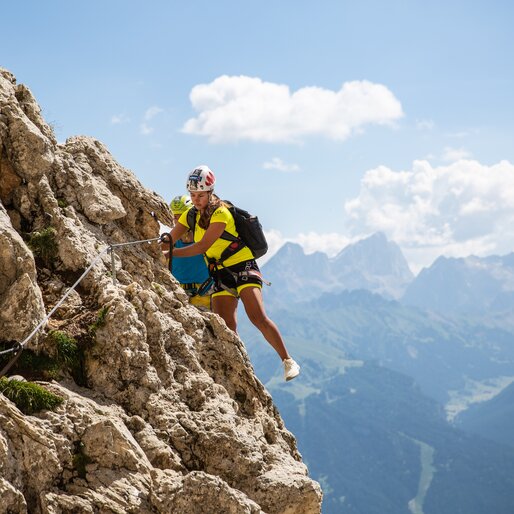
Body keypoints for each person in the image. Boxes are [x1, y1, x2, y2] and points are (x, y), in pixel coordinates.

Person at [167, 165, 300, 381]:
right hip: (220, 272)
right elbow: (170, 239)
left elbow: (201, 246)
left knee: (257, 316)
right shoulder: (190, 215)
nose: (197, 199)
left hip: (243, 265)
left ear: (210, 192)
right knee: (226, 325)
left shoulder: (222, 213)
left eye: (201, 195)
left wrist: (168, 254)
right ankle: (241, 366)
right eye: (193, 195)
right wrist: (156, 247)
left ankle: (288, 361)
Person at [163, 194, 212, 311]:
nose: (178, 221)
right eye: (175, 217)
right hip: (178, 295)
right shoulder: (170, 241)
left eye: (181, 216)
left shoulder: (204, 237)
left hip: (204, 293)